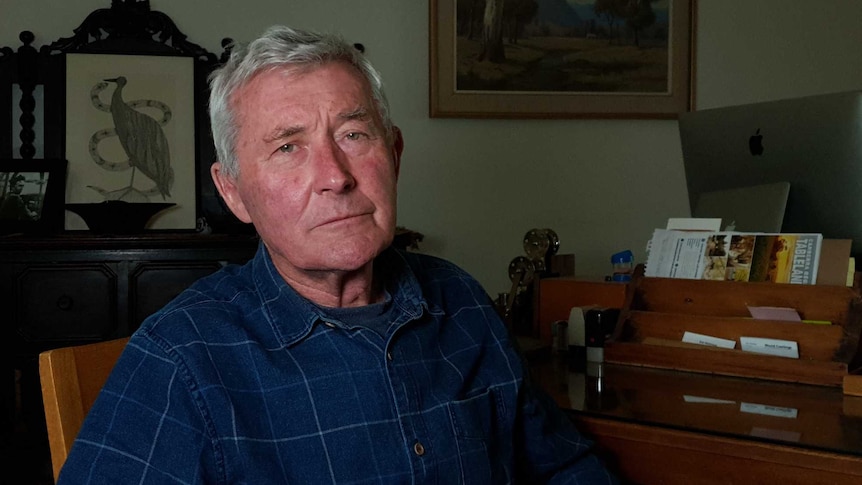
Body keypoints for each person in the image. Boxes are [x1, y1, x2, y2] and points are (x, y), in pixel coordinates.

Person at [58, 26, 616, 484]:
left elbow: (563, 467)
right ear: (233, 193)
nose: (334, 177)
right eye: (287, 147)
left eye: (353, 135)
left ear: (393, 155)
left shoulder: (461, 301)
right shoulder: (181, 358)